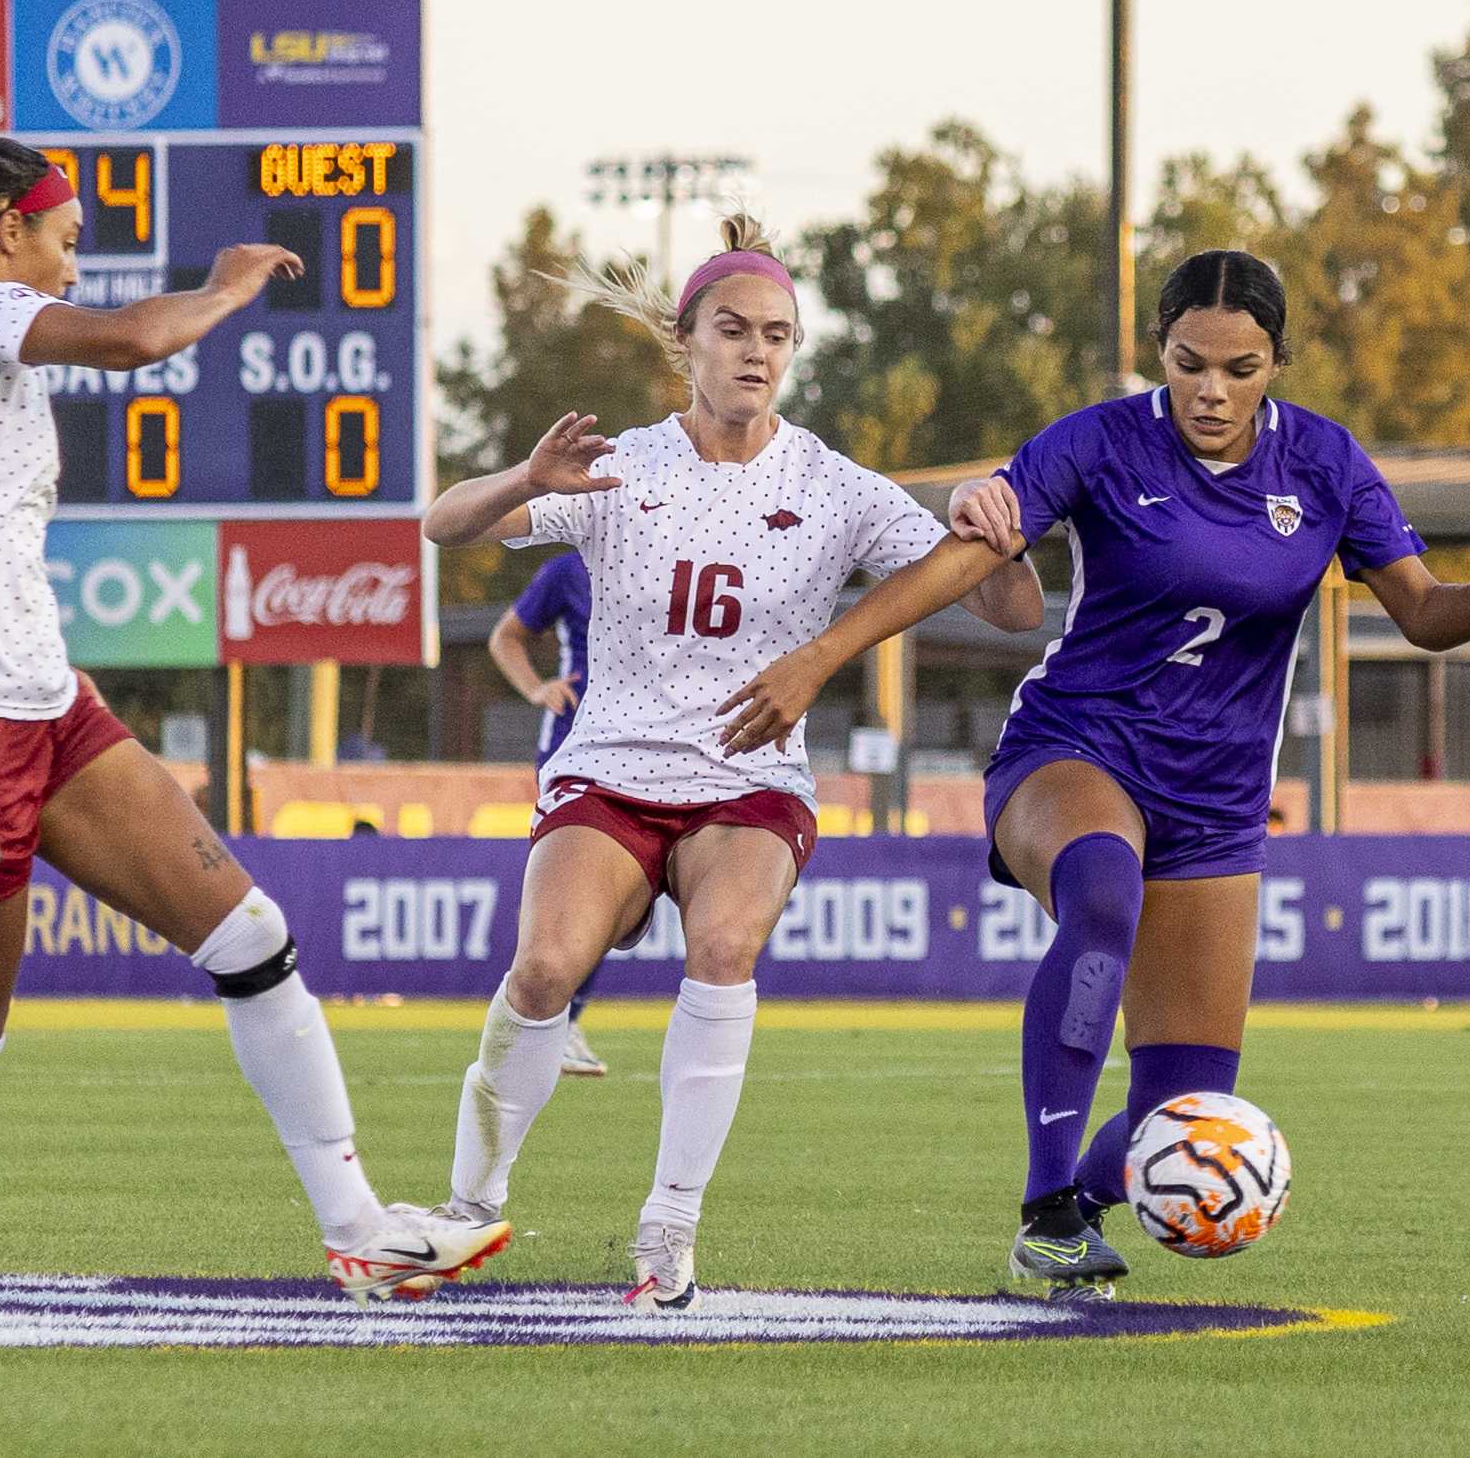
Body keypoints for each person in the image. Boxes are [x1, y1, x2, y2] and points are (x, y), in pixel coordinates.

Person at [0, 137, 507, 1314]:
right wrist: (228, 283)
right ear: (0, 230)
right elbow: (134, 342)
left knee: (252, 938)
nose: (70, 272)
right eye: (65, 243)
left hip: (43, 704)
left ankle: (361, 1231)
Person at [718, 250, 1470, 1295]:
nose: (1211, 389)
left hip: (1215, 802)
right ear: (1159, 353)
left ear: (1277, 363)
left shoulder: (1328, 466)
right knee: (1104, 893)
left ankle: (1083, 1189)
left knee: (1188, 1108)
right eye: (1188, 362)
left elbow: (1426, 613)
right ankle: (1046, 1215)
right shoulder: (1103, 441)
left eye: (1240, 367)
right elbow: (969, 555)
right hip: (1076, 748)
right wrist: (818, 659)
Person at [421, 215, 1046, 1310]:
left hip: (750, 779)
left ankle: (670, 1224)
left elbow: (1012, 608)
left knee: (721, 943)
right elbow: (444, 525)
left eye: (778, 334)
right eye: (734, 329)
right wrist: (524, 476)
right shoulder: (618, 465)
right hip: (610, 767)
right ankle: (467, 1208)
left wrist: (997, 528)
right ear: (687, 342)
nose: (757, 351)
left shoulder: (838, 484)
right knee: (545, 969)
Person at [489, 552, 611, 1076]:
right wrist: (536, 688)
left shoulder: (674, 543)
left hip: (656, 744)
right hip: (576, 745)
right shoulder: (570, 569)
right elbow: (506, 636)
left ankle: (562, 1017)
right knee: (576, 888)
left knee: (623, 897)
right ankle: (546, 1019)